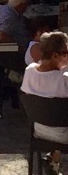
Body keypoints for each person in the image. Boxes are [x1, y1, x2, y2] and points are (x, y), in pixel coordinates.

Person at [21, 30, 68, 175]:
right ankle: (52, 161)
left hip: (40, 131)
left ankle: (53, 160)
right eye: (66, 52)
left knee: (55, 115)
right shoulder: (64, 79)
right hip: (64, 134)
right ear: (55, 55)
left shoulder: (29, 72)